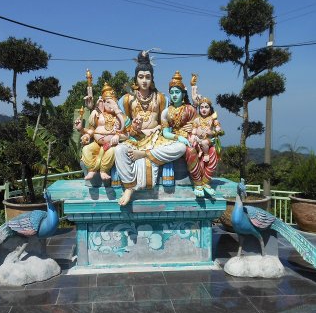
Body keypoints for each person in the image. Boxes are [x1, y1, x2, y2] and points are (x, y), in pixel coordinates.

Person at [114, 51, 187, 206]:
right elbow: (123, 128)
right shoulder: (127, 99)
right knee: (119, 150)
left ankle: (144, 154)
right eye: (141, 77)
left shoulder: (160, 98)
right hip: (135, 139)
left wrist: (157, 128)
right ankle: (129, 187)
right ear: (136, 78)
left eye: (148, 77)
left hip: (156, 139)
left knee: (180, 148)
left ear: (152, 78)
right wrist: (134, 128)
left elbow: (166, 122)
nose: (144, 80)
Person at [160, 71, 215, 197]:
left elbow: (197, 124)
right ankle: (198, 183)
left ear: (183, 94)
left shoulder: (189, 109)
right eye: (172, 92)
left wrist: (194, 132)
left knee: (211, 150)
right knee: (190, 151)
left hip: (191, 136)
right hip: (173, 139)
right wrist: (178, 136)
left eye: (177, 92)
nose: (174, 95)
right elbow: (165, 133)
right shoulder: (166, 112)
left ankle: (206, 181)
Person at [75, 83, 127, 181]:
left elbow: (127, 134)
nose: (111, 105)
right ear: (102, 103)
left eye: (113, 102)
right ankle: (92, 170)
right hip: (97, 143)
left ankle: (103, 171)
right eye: (107, 102)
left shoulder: (121, 117)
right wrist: (81, 129)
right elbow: (91, 130)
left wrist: (118, 136)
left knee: (112, 152)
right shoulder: (98, 115)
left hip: (111, 145)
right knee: (86, 149)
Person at [191, 97, 223, 163]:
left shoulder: (212, 119)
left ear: (210, 109)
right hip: (198, 138)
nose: (204, 109)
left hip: (209, 139)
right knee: (192, 141)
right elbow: (194, 129)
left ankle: (206, 154)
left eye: (206, 107)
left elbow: (218, 129)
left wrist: (212, 132)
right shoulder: (197, 119)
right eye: (201, 107)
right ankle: (199, 150)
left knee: (204, 142)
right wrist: (194, 134)